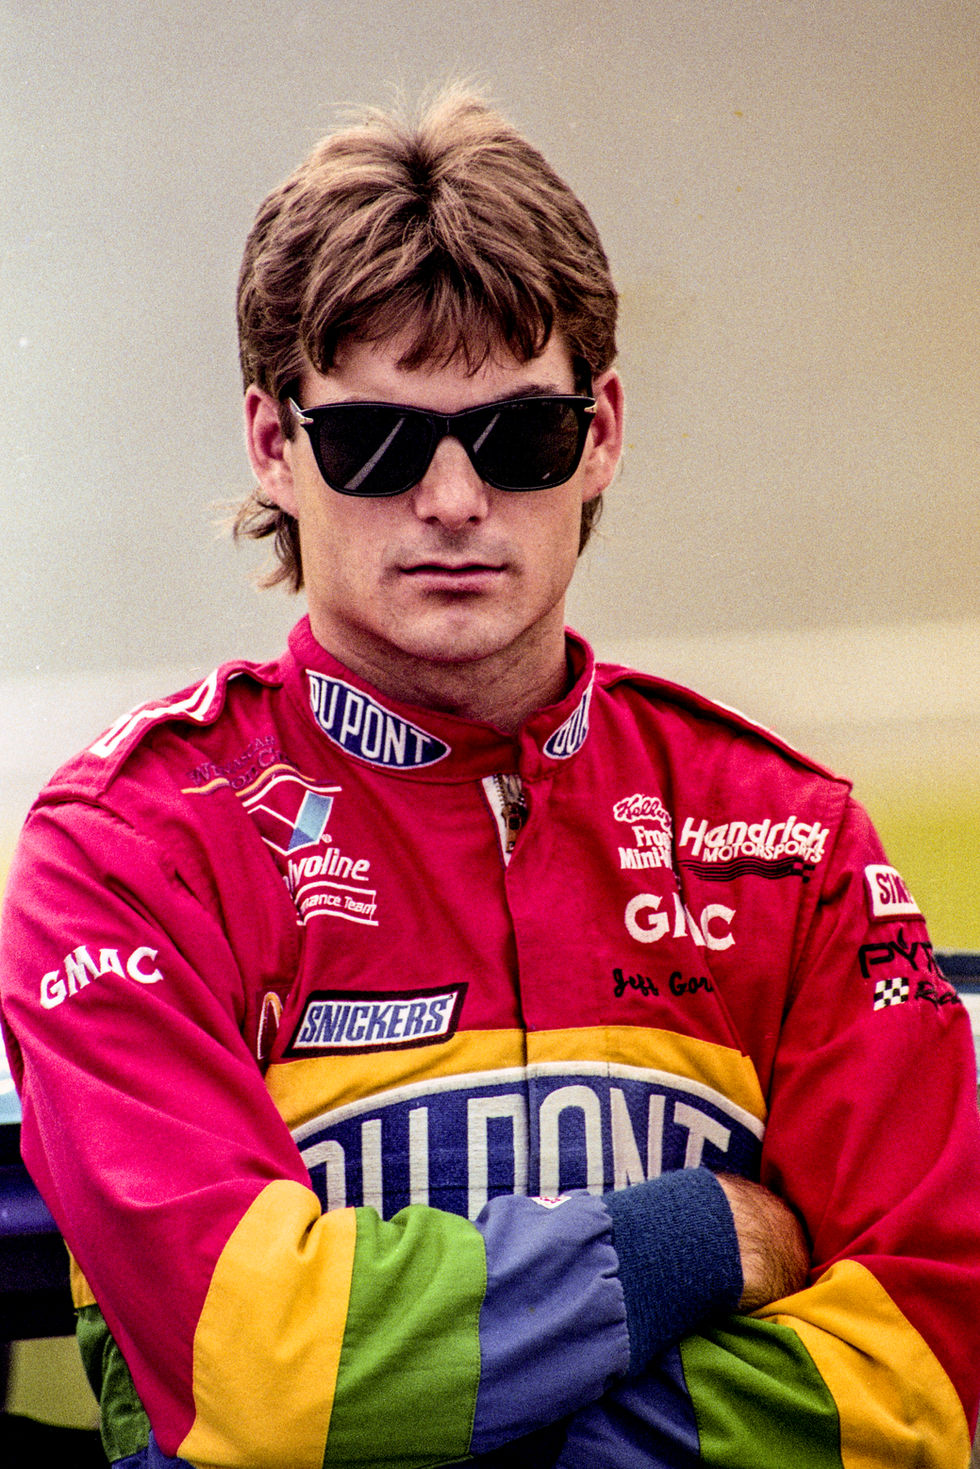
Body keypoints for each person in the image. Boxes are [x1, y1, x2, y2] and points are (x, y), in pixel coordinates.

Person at [1, 86, 978, 1469]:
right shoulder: (127, 852)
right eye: (378, 443)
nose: (455, 499)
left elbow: (920, 1371)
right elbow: (265, 1374)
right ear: (275, 447)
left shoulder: (788, 842)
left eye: (521, 436)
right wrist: (696, 1236)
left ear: (603, 431)